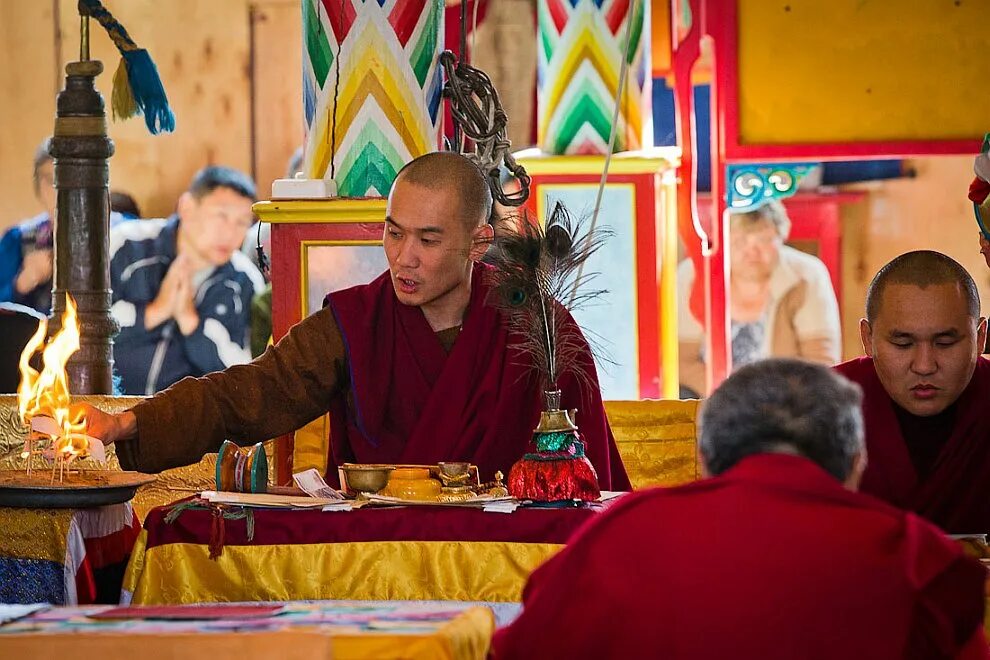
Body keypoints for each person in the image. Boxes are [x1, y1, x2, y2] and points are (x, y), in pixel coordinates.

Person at [80, 152, 630, 488]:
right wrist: (133, 423)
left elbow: (588, 477)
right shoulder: (358, 321)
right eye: (394, 232)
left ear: (478, 242)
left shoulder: (538, 330)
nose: (403, 256)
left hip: (504, 563)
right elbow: (256, 391)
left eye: (428, 239)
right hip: (378, 557)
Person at [492, 359, 989, 659]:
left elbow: (526, 649)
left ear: (705, 457)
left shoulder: (625, 533)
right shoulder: (912, 555)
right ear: (857, 461)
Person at [835, 250, 990, 534]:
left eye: (945, 342)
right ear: (868, 339)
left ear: (980, 337)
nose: (924, 366)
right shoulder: (822, 405)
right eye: (903, 344)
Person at [109, 166, 264, 395]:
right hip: (106, 412)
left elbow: (244, 374)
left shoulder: (245, 280)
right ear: (187, 207)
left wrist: (191, 323)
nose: (230, 233)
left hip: (188, 425)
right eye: (221, 216)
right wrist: (156, 311)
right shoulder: (126, 244)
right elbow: (80, 328)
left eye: (242, 222)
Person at [677, 200, 841, 397]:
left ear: (781, 238)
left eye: (764, 240)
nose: (752, 251)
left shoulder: (807, 275)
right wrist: (732, 397)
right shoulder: (692, 275)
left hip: (784, 399)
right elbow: (680, 361)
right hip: (711, 396)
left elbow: (822, 362)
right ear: (722, 241)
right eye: (740, 241)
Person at [0, 139, 130, 315]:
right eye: (51, 180)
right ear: (38, 185)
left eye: (73, 178)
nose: (61, 189)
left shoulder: (123, 231)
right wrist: (21, 283)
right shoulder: (18, 240)